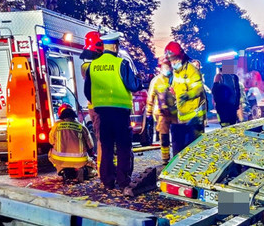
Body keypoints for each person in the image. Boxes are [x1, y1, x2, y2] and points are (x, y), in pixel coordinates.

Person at [84, 31, 142, 194]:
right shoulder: (121, 64)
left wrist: (100, 102)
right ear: (115, 46)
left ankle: (107, 181)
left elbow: (87, 91)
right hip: (120, 113)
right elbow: (133, 85)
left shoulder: (92, 66)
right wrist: (139, 81)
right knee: (123, 147)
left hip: (102, 114)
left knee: (107, 147)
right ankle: (123, 181)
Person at [164, 41, 206, 156]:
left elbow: (198, 89)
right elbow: (176, 89)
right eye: (171, 60)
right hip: (182, 117)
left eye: (175, 59)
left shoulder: (192, 70)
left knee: (195, 149)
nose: (173, 63)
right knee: (182, 150)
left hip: (195, 117)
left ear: (181, 57)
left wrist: (186, 95)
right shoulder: (176, 73)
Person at [49, 104, 95, 182]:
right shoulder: (81, 127)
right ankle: (83, 170)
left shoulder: (56, 126)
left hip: (60, 160)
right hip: (80, 160)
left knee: (50, 154)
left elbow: (51, 142)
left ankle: (62, 170)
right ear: (74, 116)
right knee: (92, 166)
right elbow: (90, 145)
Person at [145, 61, 177, 164]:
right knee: (164, 136)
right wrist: (148, 112)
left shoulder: (175, 79)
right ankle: (165, 158)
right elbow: (151, 96)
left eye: (169, 67)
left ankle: (177, 156)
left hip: (175, 112)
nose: (167, 69)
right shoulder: (156, 81)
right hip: (161, 113)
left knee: (177, 135)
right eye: (165, 67)